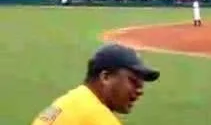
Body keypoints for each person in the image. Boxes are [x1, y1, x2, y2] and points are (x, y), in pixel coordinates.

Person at [31, 42, 160, 125]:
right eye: (133, 81)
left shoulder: (72, 100)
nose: (139, 91)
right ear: (106, 77)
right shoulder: (97, 118)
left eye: (141, 84)